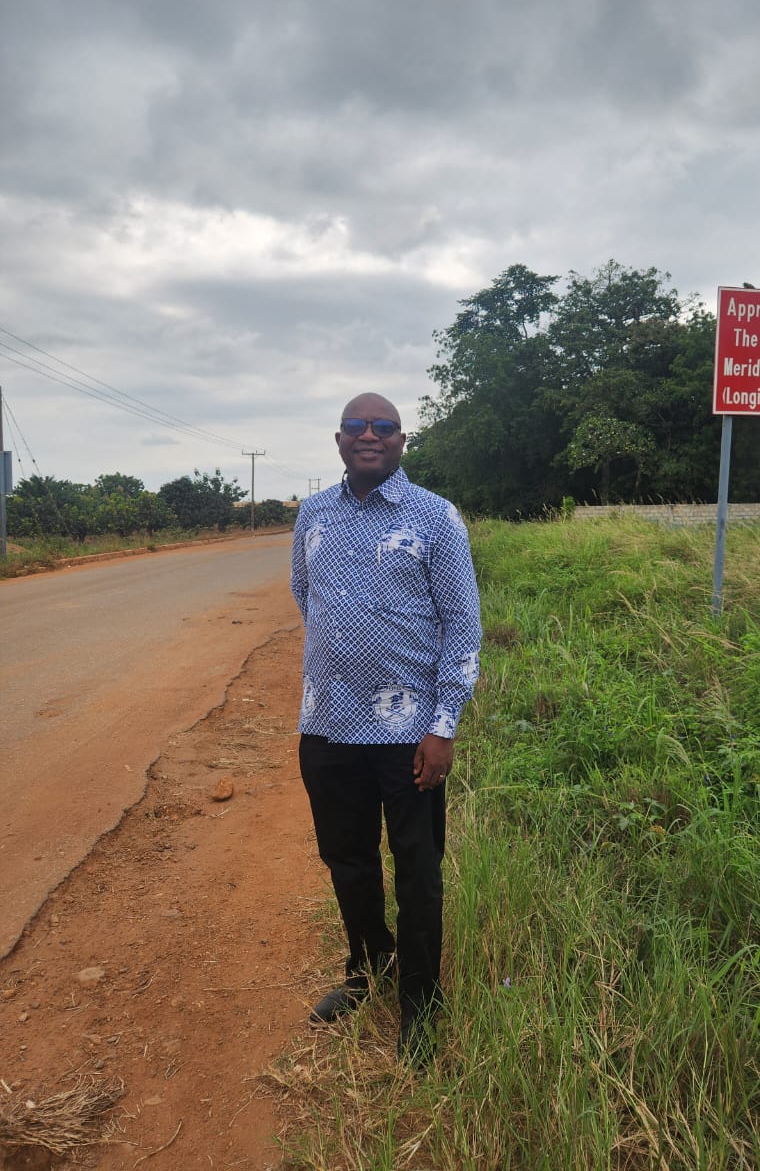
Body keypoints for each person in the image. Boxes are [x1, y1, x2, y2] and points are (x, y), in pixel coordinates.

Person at [291, 391, 482, 1063]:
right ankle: (366, 969)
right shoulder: (313, 516)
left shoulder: (435, 518)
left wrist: (444, 724)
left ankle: (422, 1002)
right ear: (338, 441)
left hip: (409, 736)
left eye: (383, 427)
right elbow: (303, 595)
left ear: (402, 440)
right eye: (355, 426)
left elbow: (463, 625)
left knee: (418, 872)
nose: (368, 434)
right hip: (328, 727)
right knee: (347, 863)